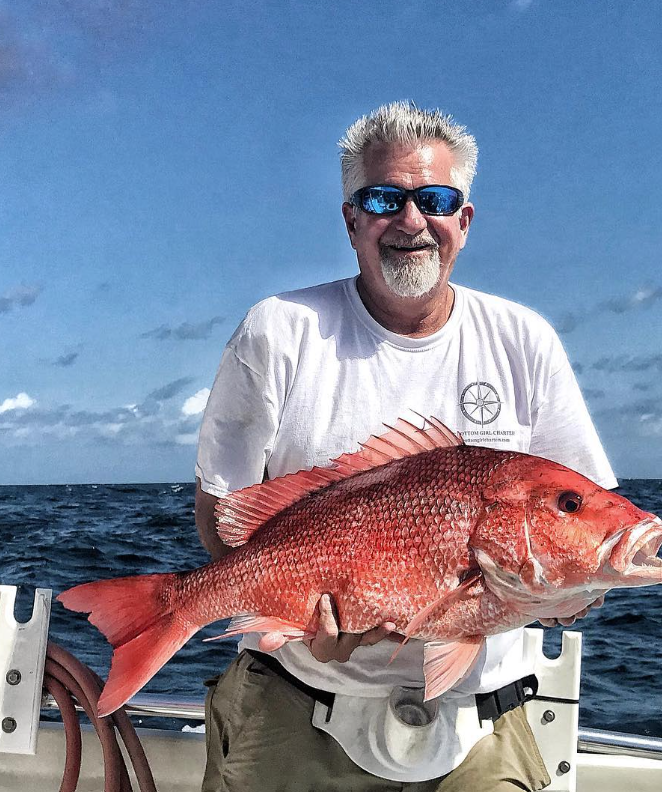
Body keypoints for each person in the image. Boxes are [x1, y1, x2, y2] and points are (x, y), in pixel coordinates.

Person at [194, 101, 617, 792]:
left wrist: (574, 594)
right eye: (384, 198)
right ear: (351, 218)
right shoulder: (278, 331)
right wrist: (292, 608)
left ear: (464, 220)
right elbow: (224, 519)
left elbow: (580, 528)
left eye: (436, 199)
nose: (411, 220)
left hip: (478, 721)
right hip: (297, 702)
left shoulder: (523, 339)